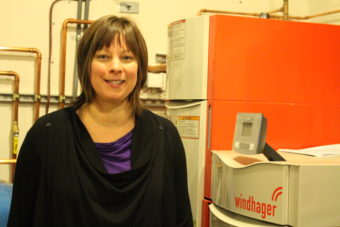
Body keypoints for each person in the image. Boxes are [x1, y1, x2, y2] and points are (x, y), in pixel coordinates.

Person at [8, 15, 193, 227]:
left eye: (127, 57)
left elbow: (181, 219)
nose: (115, 67)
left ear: (140, 67)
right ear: (86, 64)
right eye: (103, 56)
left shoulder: (165, 135)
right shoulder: (46, 135)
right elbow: (21, 217)